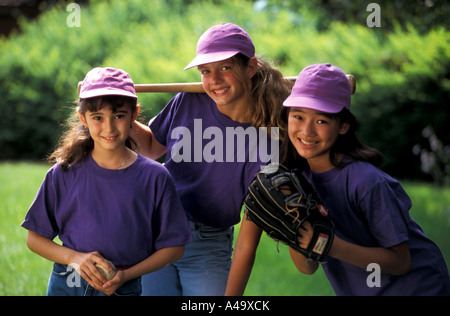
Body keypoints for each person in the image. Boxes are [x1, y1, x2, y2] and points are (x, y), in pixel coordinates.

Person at [226, 63, 450, 296]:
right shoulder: (295, 181)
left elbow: (401, 261)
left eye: (321, 121)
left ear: (343, 125)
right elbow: (307, 267)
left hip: (420, 288)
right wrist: (296, 228)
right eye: (298, 116)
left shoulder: (366, 181)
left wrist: (331, 246)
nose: (307, 131)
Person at [132, 23, 291, 296]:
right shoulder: (189, 100)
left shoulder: (273, 137)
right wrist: (119, 110)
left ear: (250, 68)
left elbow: (248, 240)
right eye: (205, 71)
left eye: (225, 68)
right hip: (156, 228)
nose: (214, 79)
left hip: (209, 241)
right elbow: (149, 147)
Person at [21, 67, 193, 296]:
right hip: (68, 283)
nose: (109, 127)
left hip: (122, 287)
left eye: (119, 116)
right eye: (98, 118)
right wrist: (75, 258)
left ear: (134, 114)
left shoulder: (155, 177)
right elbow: (34, 239)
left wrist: (126, 275)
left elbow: (174, 248)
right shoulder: (62, 173)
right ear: (83, 118)